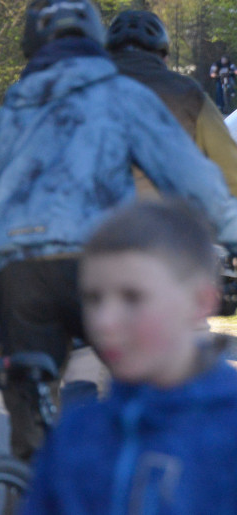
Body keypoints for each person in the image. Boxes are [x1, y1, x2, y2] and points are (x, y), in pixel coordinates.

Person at [0, 0, 237, 461]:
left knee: (32, 436)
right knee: (134, 375)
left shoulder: (8, 116)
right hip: (98, 262)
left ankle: (32, 475)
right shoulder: (122, 96)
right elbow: (200, 181)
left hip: (16, 275)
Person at [21, 200, 237, 514]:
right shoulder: (77, 433)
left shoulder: (227, 433)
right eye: (93, 298)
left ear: (201, 301)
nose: (105, 321)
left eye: (133, 297)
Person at [107, 10, 237, 197]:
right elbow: (230, 174)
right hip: (172, 218)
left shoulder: (81, 93)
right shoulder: (189, 95)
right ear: (164, 56)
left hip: (99, 222)